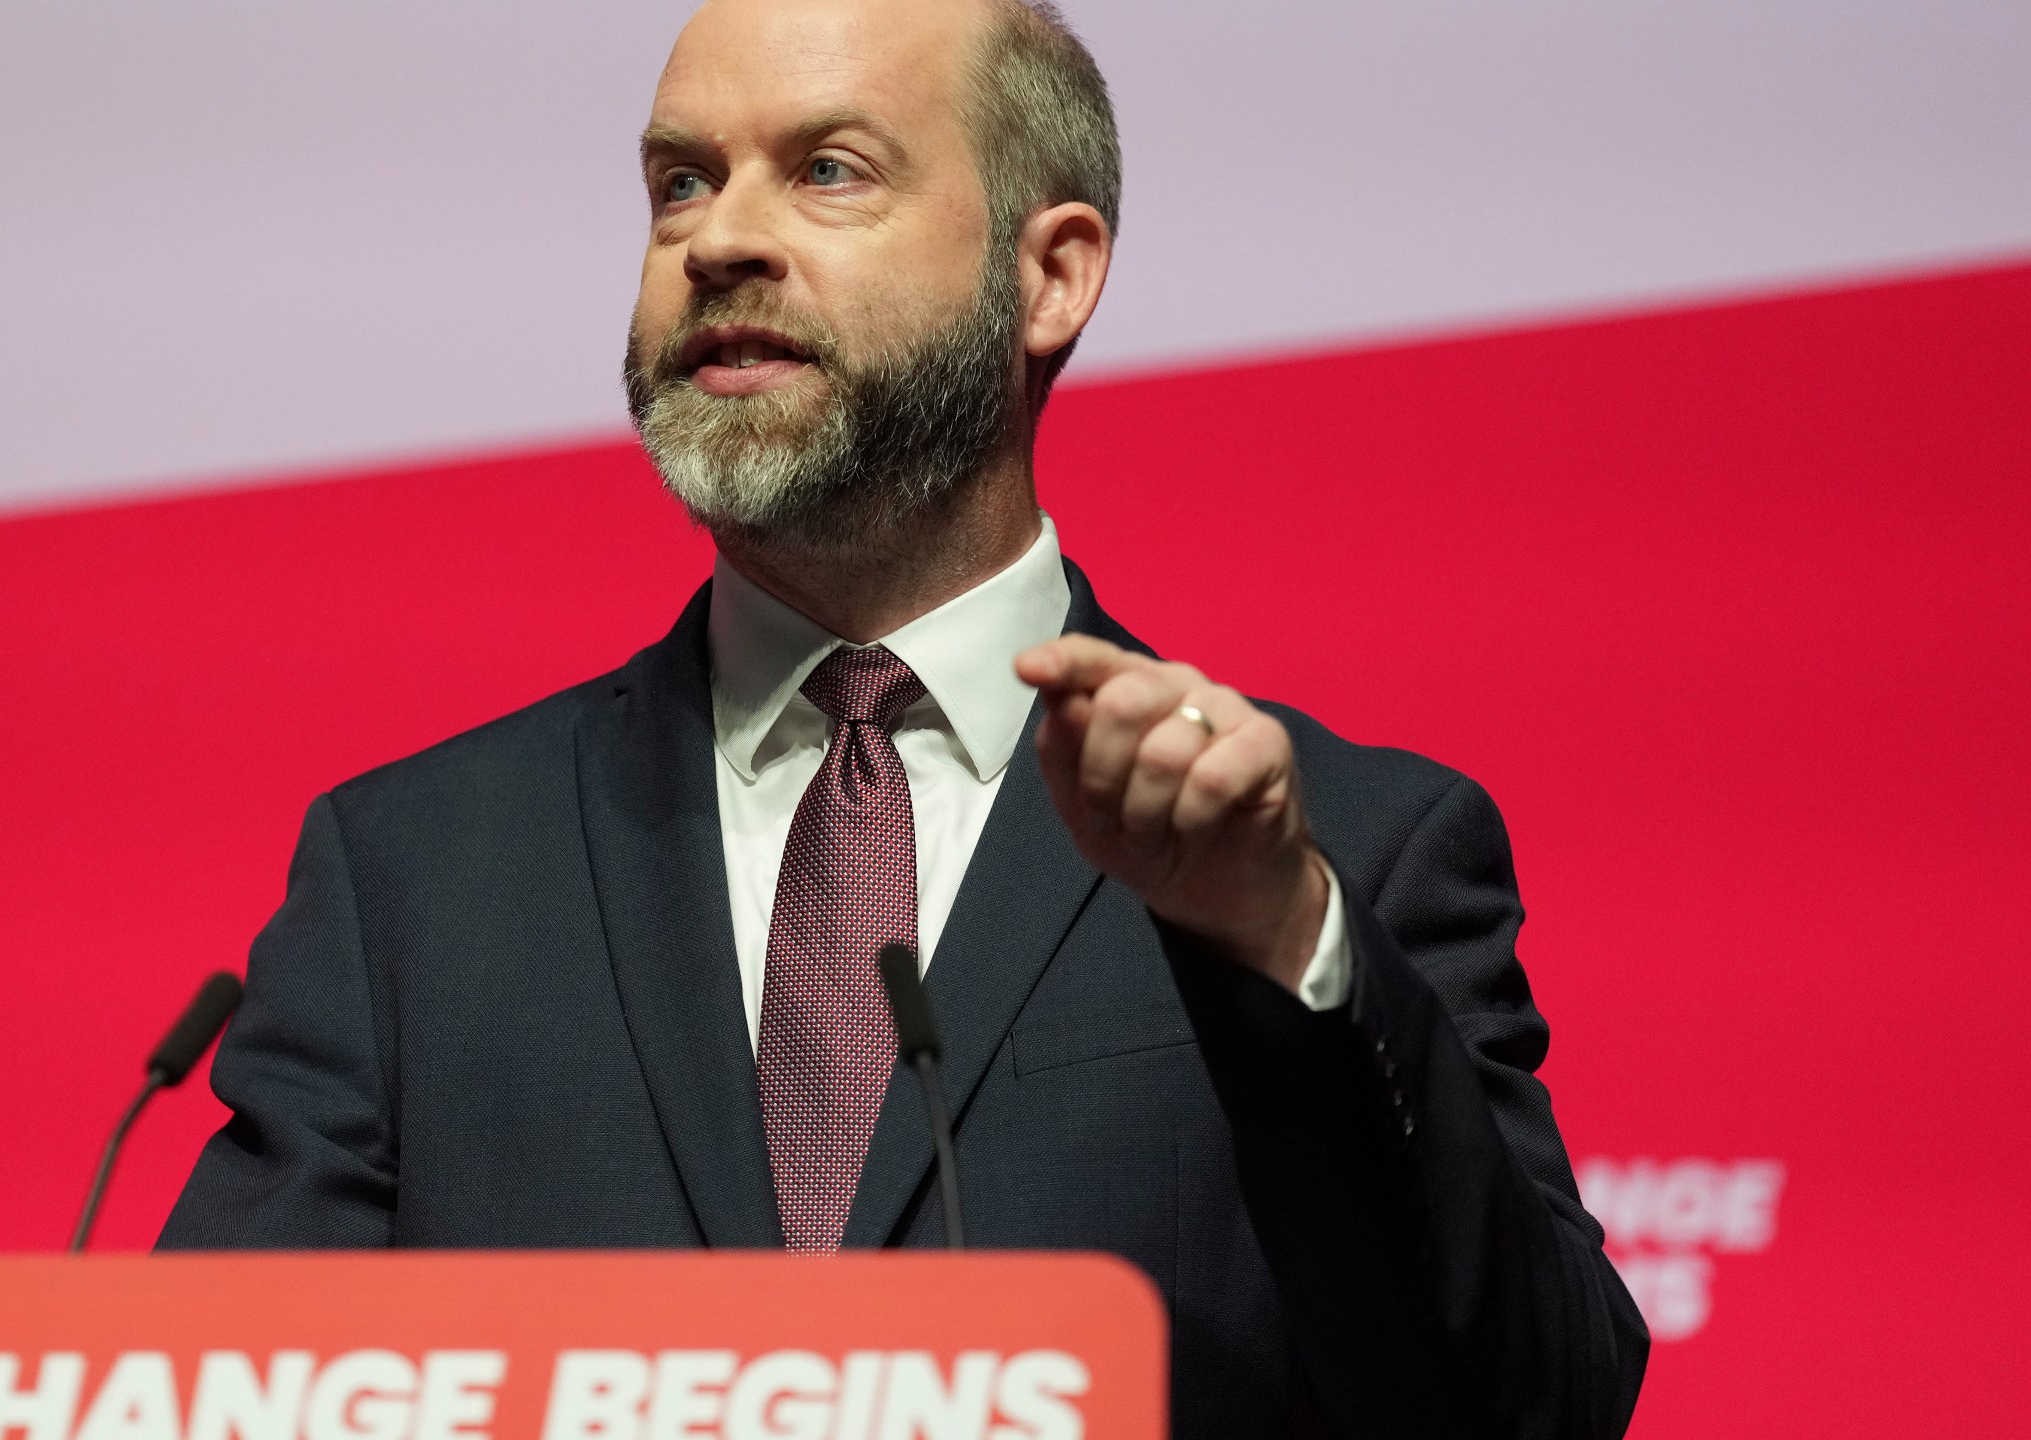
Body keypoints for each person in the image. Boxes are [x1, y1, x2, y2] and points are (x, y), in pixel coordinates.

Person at [162, 0, 1648, 1433]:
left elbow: (1535, 1406)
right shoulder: (414, 878)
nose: (719, 238)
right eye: (680, 182)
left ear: (1049, 275)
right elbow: (201, 1403)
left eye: (827, 169)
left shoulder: (1347, 857)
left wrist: (1281, 944)